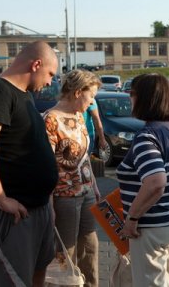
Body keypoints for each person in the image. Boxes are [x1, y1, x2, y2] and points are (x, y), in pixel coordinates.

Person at [0, 41, 59, 286]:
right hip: (12, 214)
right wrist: (1, 198)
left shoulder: (24, 95)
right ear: (35, 64)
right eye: (50, 74)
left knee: (37, 270)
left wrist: (47, 202)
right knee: (11, 279)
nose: (50, 82)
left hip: (38, 209)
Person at [116, 73, 169, 287]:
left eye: (132, 94)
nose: (129, 98)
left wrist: (132, 218)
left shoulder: (147, 137)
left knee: (150, 283)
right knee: (167, 278)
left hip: (152, 226)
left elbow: (156, 183)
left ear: (145, 98)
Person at [43, 69, 102, 287]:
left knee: (90, 247)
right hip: (64, 196)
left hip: (86, 193)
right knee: (66, 253)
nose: (93, 101)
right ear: (78, 92)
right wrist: (49, 205)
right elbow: (46, 166)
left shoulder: (78, 116)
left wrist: (93, 184)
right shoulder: (50, 119)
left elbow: (83, 156)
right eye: (91, 95)